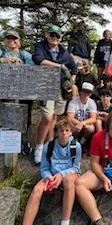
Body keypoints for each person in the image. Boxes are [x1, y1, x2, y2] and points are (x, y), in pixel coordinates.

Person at [3, 119, 81, 225]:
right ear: (56, 132)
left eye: (67, 131)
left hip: (67, 176)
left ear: (71, 132)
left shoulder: (75, 147)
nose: (64, 134)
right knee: (36, 191)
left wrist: (61, 175)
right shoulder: (49, 147)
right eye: (61, 131)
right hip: (51, 177)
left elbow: (76, 167)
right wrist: (49, 177)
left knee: (69, 182)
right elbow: (44, 168)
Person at [0, 29, 34, 155]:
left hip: (24, 90)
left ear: (19, 41)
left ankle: (24, 141)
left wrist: (20, 65)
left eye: (14, 39)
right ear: (4, 41)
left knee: (26, 117)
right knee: (8, 116)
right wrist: (3, 61)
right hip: (6, 90)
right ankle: (10, 145)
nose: (11, 41)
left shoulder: (24, 54)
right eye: (8, 38)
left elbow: (34, 64)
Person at [32, 25, 77, 164]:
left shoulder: (64, 52)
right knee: (47, 117)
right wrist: (60, 66)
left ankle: (49, 147)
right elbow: (38, 60)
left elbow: (74, 68)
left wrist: (71, 81)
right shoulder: (41, 47)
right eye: (52, 35)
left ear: (61, 38)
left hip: (61, 89)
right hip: (46, 87)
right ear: (46, 35)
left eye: (57, 36)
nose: (55, 38)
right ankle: (39, 147)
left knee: (54, 118)